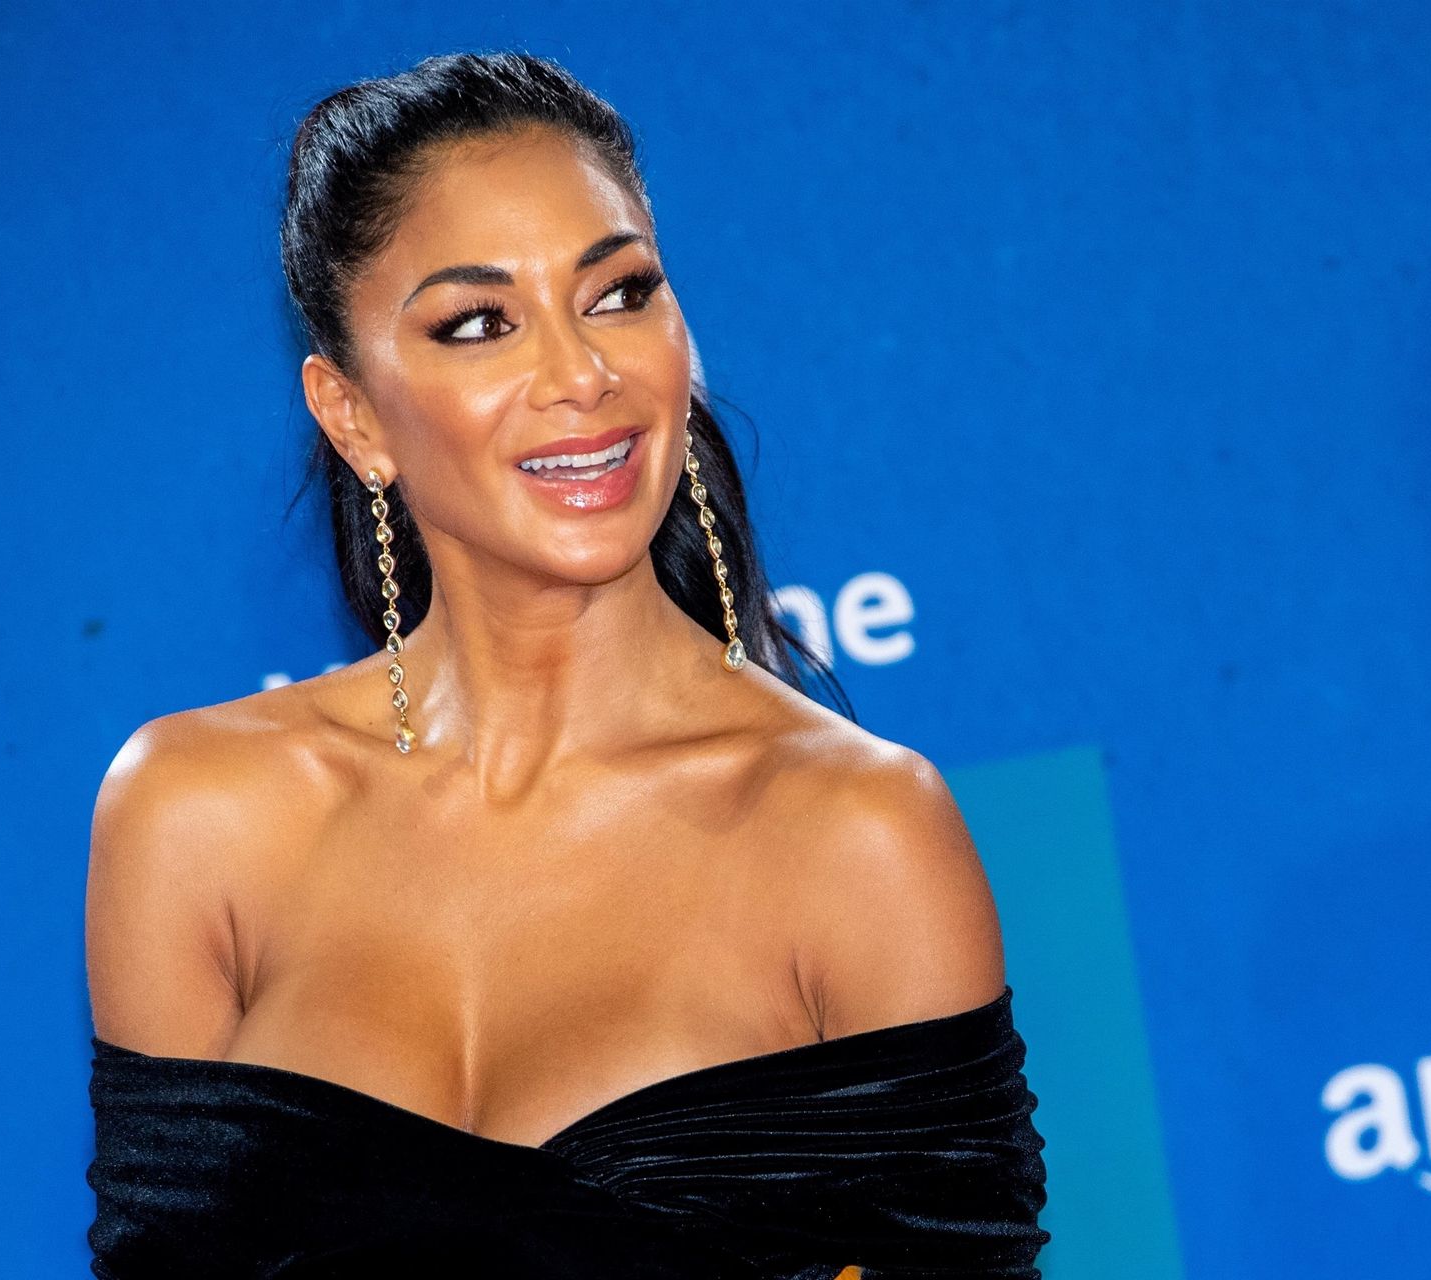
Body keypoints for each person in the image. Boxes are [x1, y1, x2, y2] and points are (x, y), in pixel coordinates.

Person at [83, 50, 1051, 1278]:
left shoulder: (858, 832)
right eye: (479, 323)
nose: (582, 374)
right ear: (354, 415)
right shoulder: (192, 817)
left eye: (618, 293)